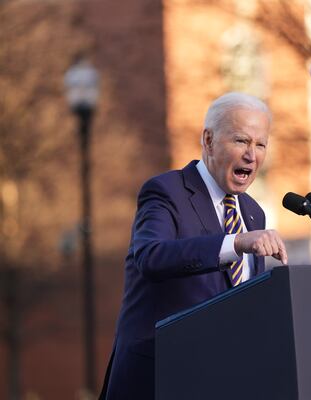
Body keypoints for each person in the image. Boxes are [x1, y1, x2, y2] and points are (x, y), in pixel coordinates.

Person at [100, 92, 288, 399]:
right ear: (209, 140)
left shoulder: (253, 212)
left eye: (261, 144)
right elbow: (151, 257)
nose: (252, 155)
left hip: (218, 380)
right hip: (157, 379)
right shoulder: (165, 191)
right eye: (241, 141)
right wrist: (236, 242)